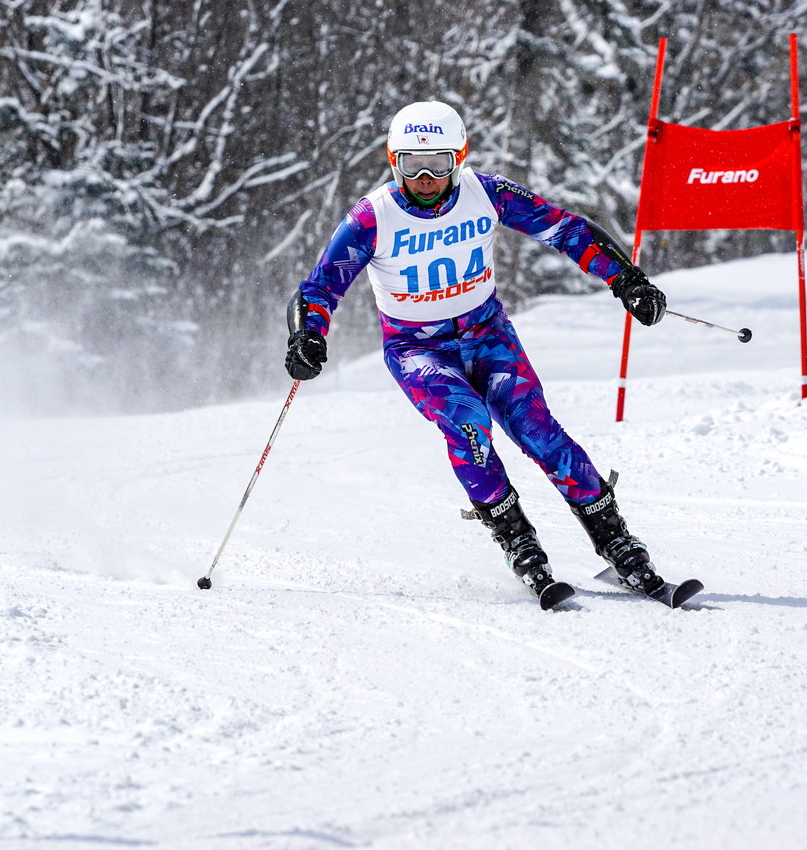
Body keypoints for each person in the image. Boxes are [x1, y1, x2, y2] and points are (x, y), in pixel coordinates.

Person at [285, 100, 669, 608]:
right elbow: (319, 288)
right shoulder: (371, 217)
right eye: (410, 165)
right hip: (418, 348)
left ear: (459, 158)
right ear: (391, 160)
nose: (424, 177)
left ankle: (616, 541)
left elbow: (566, 229)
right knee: (468, 421)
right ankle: (519, 544)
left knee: (537, 429)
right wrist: (307, 336)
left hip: (488, 334)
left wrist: (627, 278)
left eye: (439, 164)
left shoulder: (486, 194)